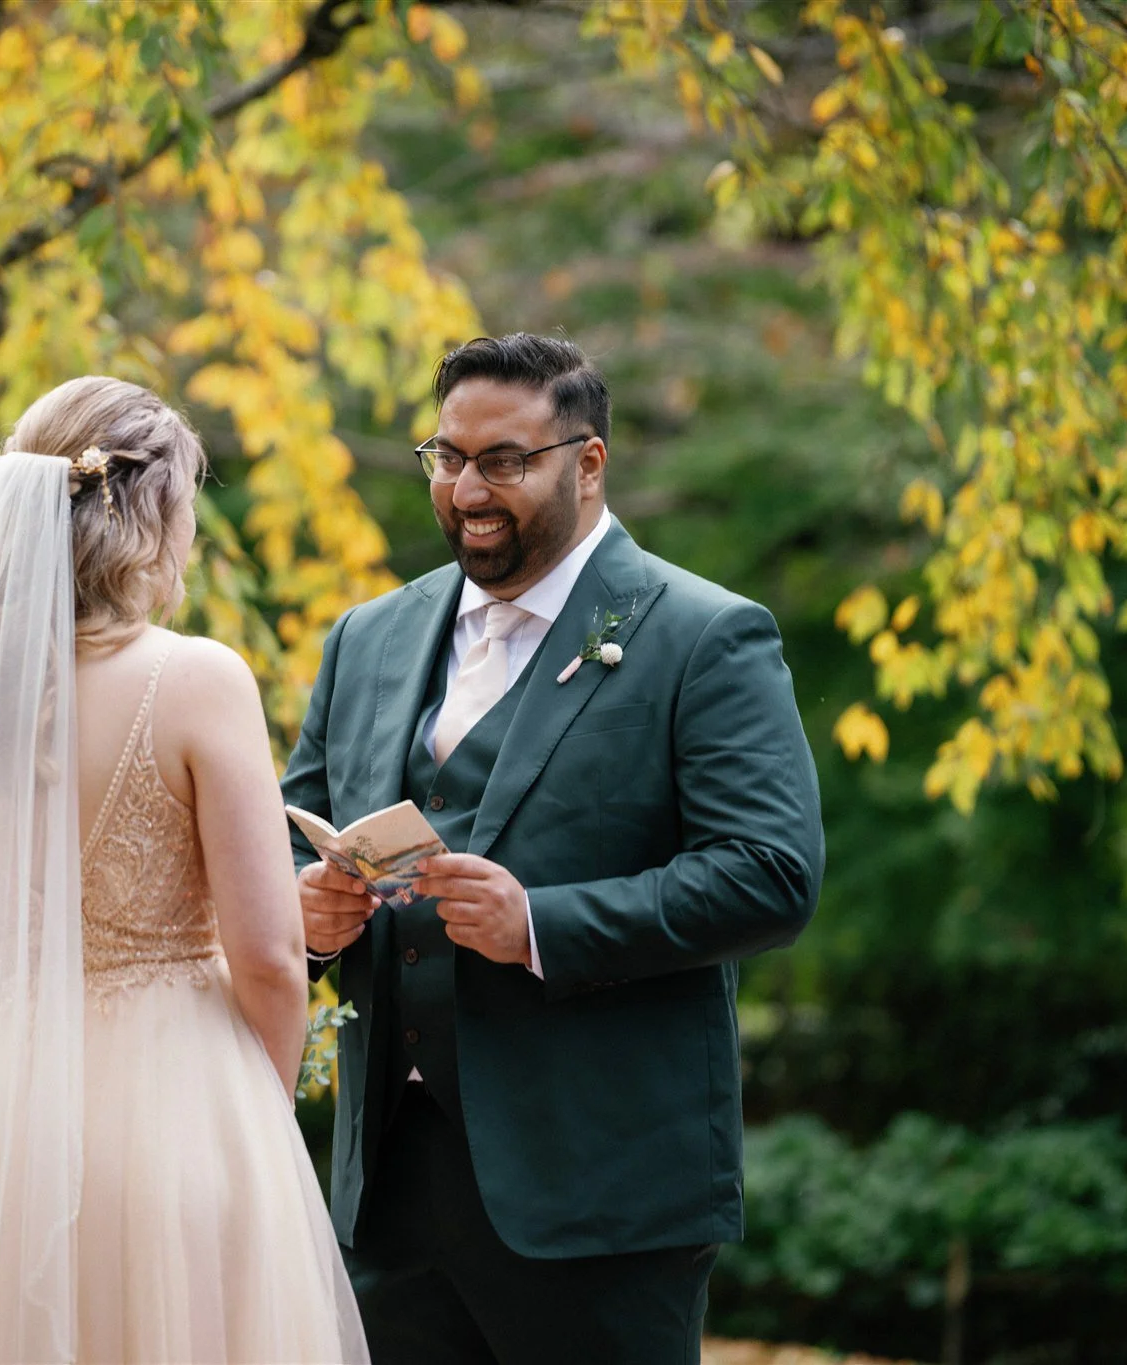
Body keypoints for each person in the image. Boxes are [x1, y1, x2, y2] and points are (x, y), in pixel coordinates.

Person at [282, 334, 825, 1364]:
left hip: (601, 1198)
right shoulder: (367, 638)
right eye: (446, 457)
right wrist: (300, 913)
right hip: (388, 1196)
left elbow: (771, 873)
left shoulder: (704, 635)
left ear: (586, 463)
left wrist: (539, 923)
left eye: (503, 460)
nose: (465, 489)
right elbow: (278, 835)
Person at [0, 377, 367, 1364]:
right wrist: (253, 1117)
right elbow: (271, 957)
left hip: (1, 1131)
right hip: (175, 1118)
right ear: (154, 517)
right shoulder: (196, 680)